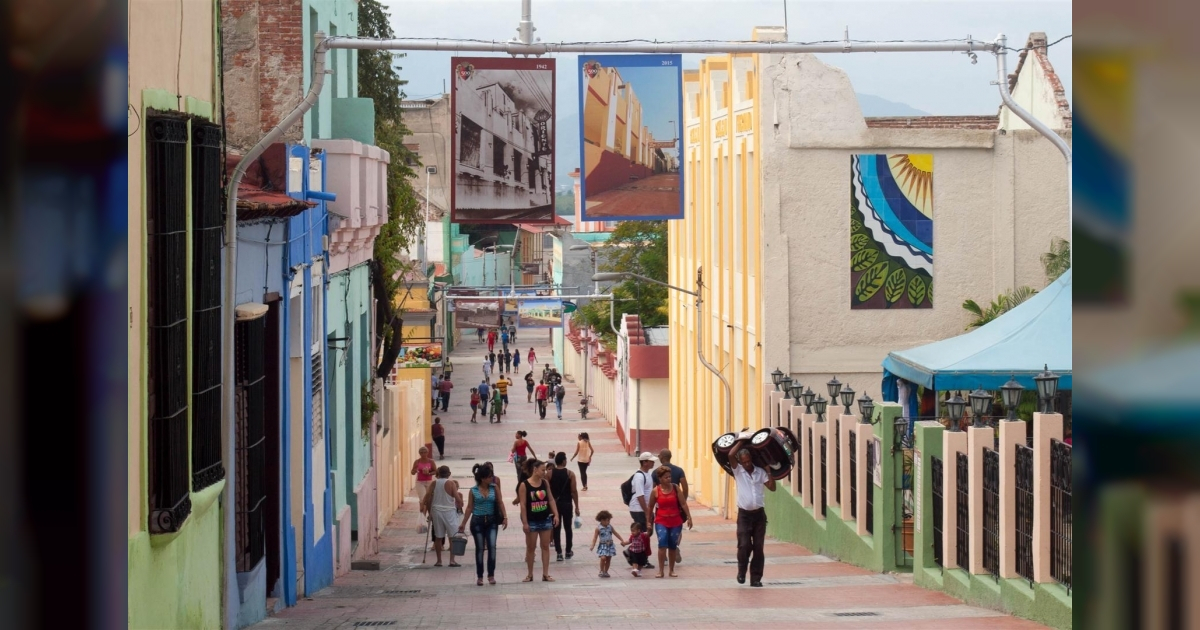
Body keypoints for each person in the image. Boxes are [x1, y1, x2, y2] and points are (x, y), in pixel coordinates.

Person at [728, 442, 778, 587]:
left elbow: (772, 488)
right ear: (741, 462)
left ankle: (756, 578)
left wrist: (768, 470)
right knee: (744, 545)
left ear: (751, 459)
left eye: (748, 460)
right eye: (744, 462)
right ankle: (741, 571)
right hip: (744, 516)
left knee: (758, 547)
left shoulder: (760, 472)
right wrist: (741, 441)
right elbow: (731, 455)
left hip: (759, 516)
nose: (747, 464)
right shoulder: (738, 472)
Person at [459, 463, 507, 586]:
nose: (492, 478)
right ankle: (480, 576)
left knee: (492, 547)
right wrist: (463, 523)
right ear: (482, 478)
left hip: (491, 521)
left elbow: (500, 502)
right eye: (489, 476)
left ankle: (491, 575)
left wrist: (505, 517)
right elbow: (470, 507)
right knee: (480, 549)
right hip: (477, 521)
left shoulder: (494, 488)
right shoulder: (473, 491)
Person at [518, 458, 560, 582]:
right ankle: (530, 574)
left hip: (545, 518)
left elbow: (551, 499)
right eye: (542, 470)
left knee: (545, 546)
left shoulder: (545, 483)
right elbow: (523, 505)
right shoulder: (524, 485)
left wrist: (556, 514)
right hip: (532, 521)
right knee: (531, 548)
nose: (544, 472)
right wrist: (525, 522)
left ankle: (545, 574)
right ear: (535, 470)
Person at [647, 465, 692, 578]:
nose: (669, 479)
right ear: (660, 479)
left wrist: (689, 517)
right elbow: (650, 507)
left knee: (672, 545)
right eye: (666, 477)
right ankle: (661, 570)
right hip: (661, 521)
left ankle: (671, 570)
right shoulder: (655, 491)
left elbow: (683, 503)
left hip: (676, 521)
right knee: (662, 545)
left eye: (669, 477)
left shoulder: (676, 488)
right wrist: (648, 522)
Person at [421, 466, 463, 567]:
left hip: (436, 511)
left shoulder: (434, 483)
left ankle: (439, 561)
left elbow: (427, 496)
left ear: (438, 473)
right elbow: (457, 498)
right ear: (449, 474)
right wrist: (460, 503)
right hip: (449, 512)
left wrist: (425, 508)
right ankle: (452, 561)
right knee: (452, 537)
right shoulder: (451, 483)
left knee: (438, 537)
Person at [659, 449, 689, 564]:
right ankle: (674, 546)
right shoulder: (679, 470)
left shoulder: (657, 472)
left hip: (662, 504)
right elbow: (685, 487)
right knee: (677, 527)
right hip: (676, 505)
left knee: (662, 527)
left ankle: (664, 548)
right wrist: (683, 500)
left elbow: (653, 489)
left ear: (662, 457)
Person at [550, 453, 580, 561]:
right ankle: (568, 551)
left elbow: (547, 490)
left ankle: (558, 553)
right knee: (568, 528)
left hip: (554, 505)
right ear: (563, 461)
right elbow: (573, 491)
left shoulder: (549, 474)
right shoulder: (570, 474)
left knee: (556, 528)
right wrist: (577, 506)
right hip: (567, 504)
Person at [628, 453, 657, 544]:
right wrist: (647, 512)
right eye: (651, 461)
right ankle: (635, 553)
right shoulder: (639, 476)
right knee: (642, 534)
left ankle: (641, 553)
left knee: (647, 533)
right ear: (644, 462)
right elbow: (640, 496)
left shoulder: (647, 474)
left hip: (645, 509)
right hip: (638, 509)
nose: (653, 463)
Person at [589, 510, 626, 578]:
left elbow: (615, 533)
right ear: (601, 520)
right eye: (606, 520)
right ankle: (601, 570)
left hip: (610, 545)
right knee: (603, 558)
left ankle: (606, 571)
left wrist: (621, 540)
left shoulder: (610, 527)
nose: (607, 522)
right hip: (603, 545)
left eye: (608, 520)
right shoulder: (598, 528)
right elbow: (595, 538)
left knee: (608, 558)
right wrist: (592, 545)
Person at [411, 447, 437, 521]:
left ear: (427, 453)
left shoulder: (431, 462)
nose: (423, 454)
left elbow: (435, 471)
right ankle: (422, 515)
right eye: (421, 452)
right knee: (422, 499)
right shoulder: (417, 462)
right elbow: (412, 472)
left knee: (429, 499)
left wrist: (429, 473)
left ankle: (430, 514)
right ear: (419, 453)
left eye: (424, 452)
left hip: (429, 481)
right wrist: (415, 471)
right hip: (420, 482)